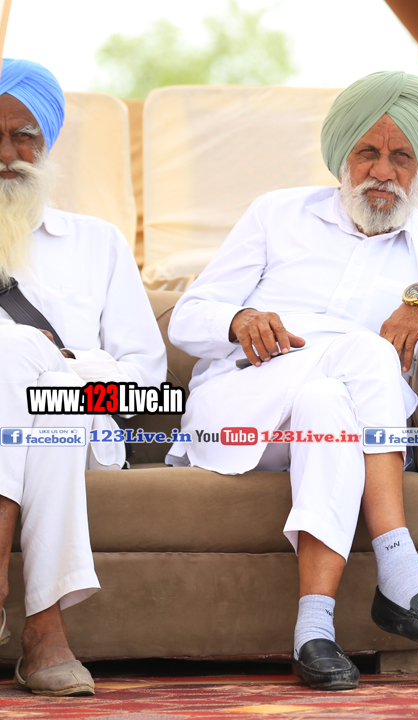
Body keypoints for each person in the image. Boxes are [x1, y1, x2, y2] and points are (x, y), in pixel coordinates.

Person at [167, 71, 418, 690]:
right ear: (341, 157)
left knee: (328, 403)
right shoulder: (276, 215)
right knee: (369, 352)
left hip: (332, 429)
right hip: (242, 406)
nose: (383, 171)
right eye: (367, 152)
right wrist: (239, 320)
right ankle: (401, 574)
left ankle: (314, 632)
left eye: (401, 157)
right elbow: (187, 319)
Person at [0, 58, 166, 696]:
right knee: (26, 367)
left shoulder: (96, 242)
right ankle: (44, 632)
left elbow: (145, 381)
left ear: (47, 143)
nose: (7, 154)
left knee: (42, 381)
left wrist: (63, 365)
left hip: (89, 431)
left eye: (24, 137)